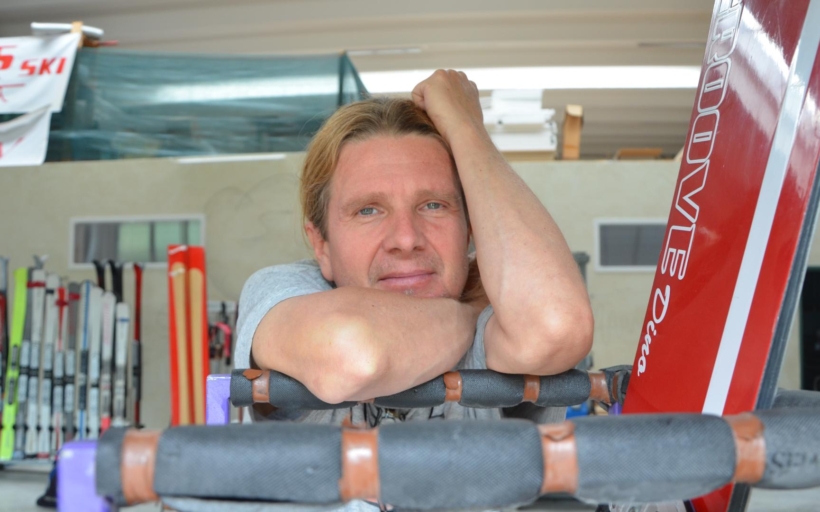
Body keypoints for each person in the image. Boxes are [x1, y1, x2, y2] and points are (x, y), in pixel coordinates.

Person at [235, 70, 593, 430]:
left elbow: (557, 326)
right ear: (321, 245)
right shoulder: (283, 292)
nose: (406, 239)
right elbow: (353, 353)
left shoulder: (501, 325)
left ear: (470, 229)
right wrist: (467, 313)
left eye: (433, 205)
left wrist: (466, 127)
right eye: (368, 210)